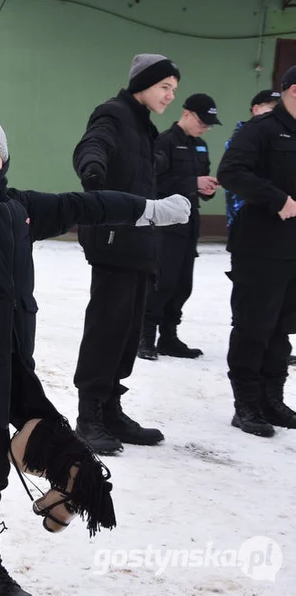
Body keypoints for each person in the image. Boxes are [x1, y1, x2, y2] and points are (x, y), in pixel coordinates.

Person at [0, 112, 189, 596]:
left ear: (4, 158)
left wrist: (147, 210)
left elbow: (88, 204)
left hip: (9, 358)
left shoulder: (19, 207)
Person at [71, 53, 180, 456]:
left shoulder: (144, 126)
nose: (169, 95)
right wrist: (93, 172)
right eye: (164, 87)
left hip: (140, 242)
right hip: (114, 239)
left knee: (129, 329)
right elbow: (91, 146)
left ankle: (111, 408)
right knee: (108, 327)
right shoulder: (114, 114)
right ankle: (89, 416)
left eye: (173, 89)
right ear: (143, 84)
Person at [217, 66, 296, 438]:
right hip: (259, 247)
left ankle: (271, 398)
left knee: (282, 327)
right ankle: (246, 404)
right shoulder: (260, 129)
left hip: (292, 248)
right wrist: (275, 198)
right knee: (254, 325)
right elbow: (231, 172)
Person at [139, 94, 220, 361]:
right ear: (186, 113)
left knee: (183, 283)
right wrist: (192, 183)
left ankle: (169, 337)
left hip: (190, 221)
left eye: (209, 124)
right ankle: (145, 337)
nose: (205, 128)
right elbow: (156, 183)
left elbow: (197, 184)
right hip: (166, 223)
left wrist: (206, 188)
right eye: (202, 121)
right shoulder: (164, 142)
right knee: (163, 280)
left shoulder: (201, 146)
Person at [225, 89, 281, 231]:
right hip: (246, 216)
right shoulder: (242, 138)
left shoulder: (275, 138)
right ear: (256, 109)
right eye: (272, 108)